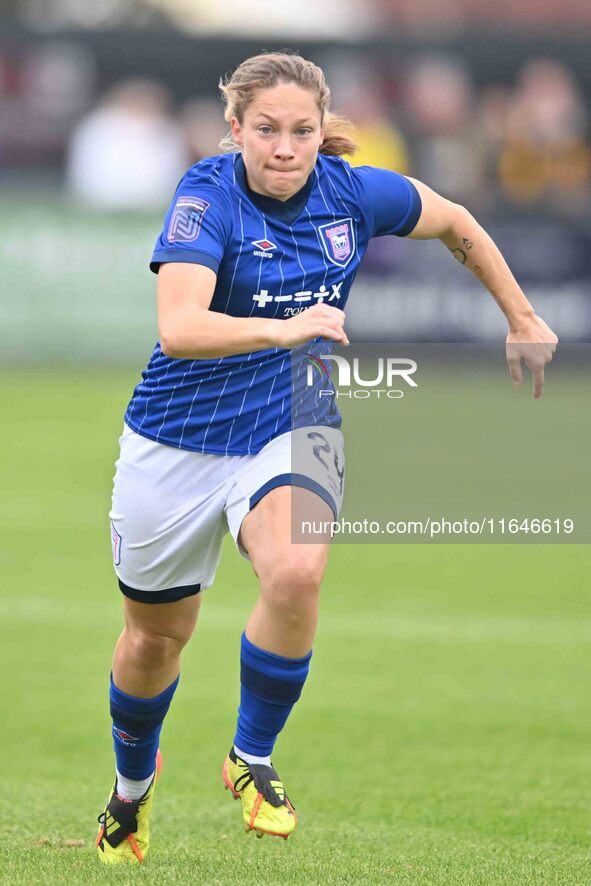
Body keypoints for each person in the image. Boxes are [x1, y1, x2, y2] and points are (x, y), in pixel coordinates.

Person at [96, 51, 557, 865]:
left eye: (301, 130)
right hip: (176, 439)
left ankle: (252, 758)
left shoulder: (354, 191)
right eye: (266, 130)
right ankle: (130, 792)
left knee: (298, 570)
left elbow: (457, 223)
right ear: (234, 128)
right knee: (154, 639)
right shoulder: (207, 197)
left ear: (322, 129)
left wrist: (520, 320)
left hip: (290, 418)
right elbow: (180, 328)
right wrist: (287, 325)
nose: (284, 147)